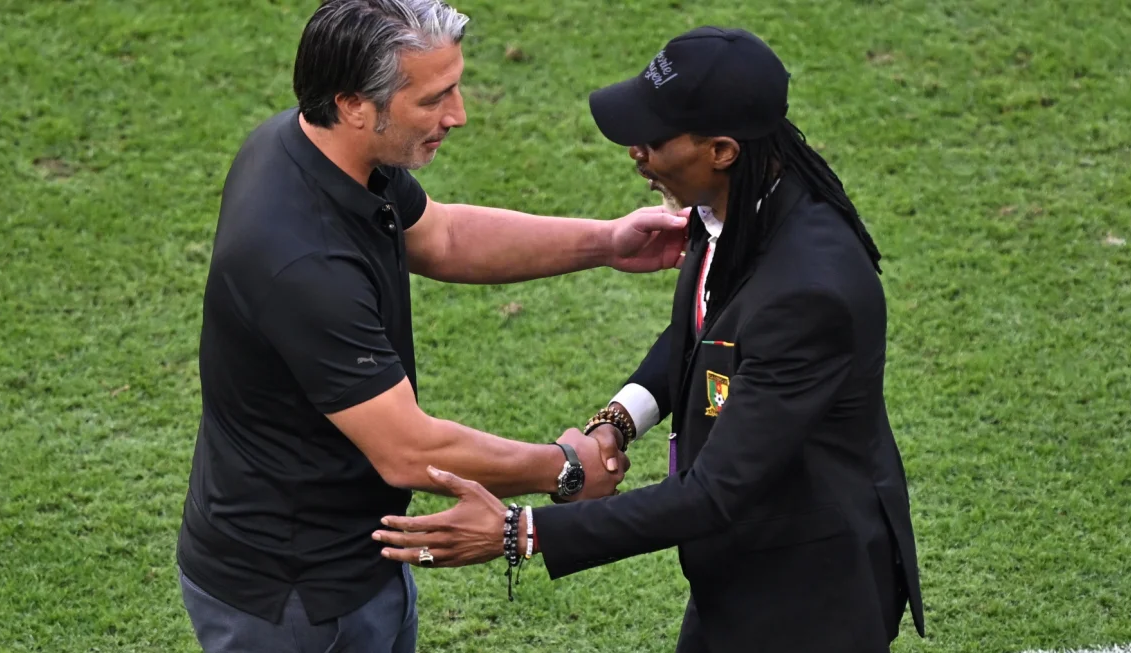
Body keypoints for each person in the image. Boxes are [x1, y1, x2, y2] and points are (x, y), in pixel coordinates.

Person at [374, 26, 926, 653]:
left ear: (721, 149)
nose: (635, 149)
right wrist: (617, 422)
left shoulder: (809, 291)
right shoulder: (734, 209)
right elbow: (703, 335)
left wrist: (519, 531)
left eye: (655, 137)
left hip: (808, 598)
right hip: (742, 569)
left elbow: (717, 491)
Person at [175, 1, 687, 651]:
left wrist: (608, 242)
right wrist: (562, 467)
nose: (459, 115)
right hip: (295, 595)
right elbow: (407, 449)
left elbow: (440, 235)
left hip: (348, 558)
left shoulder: (319, 145)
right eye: (435, 98)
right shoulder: (301, 264)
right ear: (355, 103)